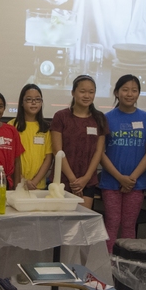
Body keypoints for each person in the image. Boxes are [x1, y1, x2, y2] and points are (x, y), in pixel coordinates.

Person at [99, 74, 146, 253]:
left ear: (139, 93)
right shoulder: (106, 118)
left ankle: (126, 267)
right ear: (116, 92)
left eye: (134, 90)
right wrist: (119, 178)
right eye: (125, 89)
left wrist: (131, 179)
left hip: (136, 183)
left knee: (128, 225)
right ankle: (106, 266)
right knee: (111, 223)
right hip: (111, 182)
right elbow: (99, 152)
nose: (129, 94)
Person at [50, 75, 107, 209]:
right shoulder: (61, 116)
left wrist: (86, 179)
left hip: (87, 181)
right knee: (60, 223)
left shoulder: (99, 118)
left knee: (81, 223)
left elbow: (99, 151)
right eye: (82, 91)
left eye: (91, 92)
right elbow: (57, 150)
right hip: (62, 179)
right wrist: (73, 180)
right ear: (73, 92)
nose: (87, 95)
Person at [8, 84, 53, 190]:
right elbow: (9, 158)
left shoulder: (46, 128)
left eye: (37, 99)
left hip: (38, 186)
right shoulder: (12, 126)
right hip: (17, 184)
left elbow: (48, 158)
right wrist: (23, 180)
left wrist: (34, 181)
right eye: (29, 99)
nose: (34, 102)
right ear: (22, 103)